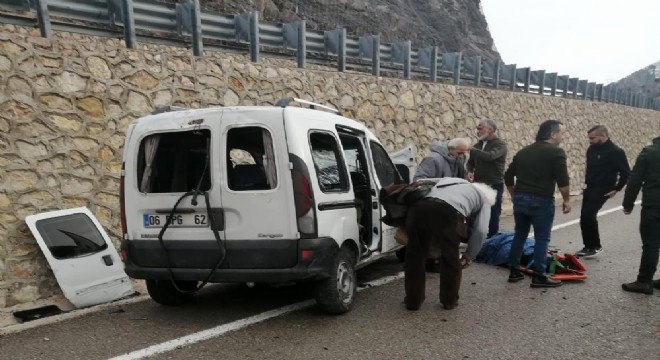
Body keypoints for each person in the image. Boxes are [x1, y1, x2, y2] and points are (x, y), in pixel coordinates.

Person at [403, 178, 496, 310]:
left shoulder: (456, 180)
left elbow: (424, 180)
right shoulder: (485, 199)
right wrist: (470, 255)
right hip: (449, 213)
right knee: (450, 258)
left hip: (420, 207)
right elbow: (481, 230)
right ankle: (449, 300)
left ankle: (413, 301)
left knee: (415, 256)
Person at [504, 120, 571, 288]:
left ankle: (514, 271)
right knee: (542, 238)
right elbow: (563, 180)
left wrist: (514, 195)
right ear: (552, 134)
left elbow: (508, 176)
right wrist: (567, 200)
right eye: (562, 133)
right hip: (541, 200)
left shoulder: (524, 151)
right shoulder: (557, 152)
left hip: (520, 198)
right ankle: (539, 276)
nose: (563, 136)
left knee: (520, 234)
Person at [577, 125, 630, 258]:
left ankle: (596, 246)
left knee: (589, 214)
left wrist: (617, 189)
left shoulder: (616, 151)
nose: (590, 140)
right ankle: (587, 246)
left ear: (603, 135)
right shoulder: (591, 149)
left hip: (604, 189)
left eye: (592, 138)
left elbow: (625, 172)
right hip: (589, 187)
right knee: (584, 217)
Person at [621, 136, 660, 295]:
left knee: (651, 244)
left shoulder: (649, 152)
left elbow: (635, 180)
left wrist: (628, 203)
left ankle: (644, 281)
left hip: (654, 205)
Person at [467, 119, 508, 237]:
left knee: (493, 213)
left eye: (481, 128)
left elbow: (490, 157)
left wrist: (472, 149)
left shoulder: (500, 145)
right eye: (478, 128)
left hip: (494, 184)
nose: (478, 131)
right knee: (473, 212)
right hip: (478, 184)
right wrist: (469, 170)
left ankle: (492, 238)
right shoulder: (478, 145)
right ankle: (470, 237)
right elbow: (471, 162)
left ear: (490, 130)